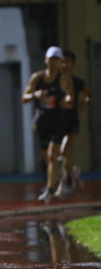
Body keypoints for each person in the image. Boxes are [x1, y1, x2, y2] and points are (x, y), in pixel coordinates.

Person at [22, 46, 73, 204]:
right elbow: (24, 98)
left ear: (60, 62)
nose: (52, 62)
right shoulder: (37, 78)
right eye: (50, 58)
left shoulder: (64, 78)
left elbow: (70, 96)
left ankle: (50, 190)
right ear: (46, 60)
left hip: (58, 120)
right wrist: (35, 95)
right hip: (43, 121)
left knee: (51, 155)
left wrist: (66, 101)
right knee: (47, 157)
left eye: (56, 59)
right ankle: (56, 174)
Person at [55, 50, 92, 196]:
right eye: (62, 61)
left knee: (64, 151)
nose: (64, 64)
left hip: (72, 120)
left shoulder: (78, 82)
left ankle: (68, 180)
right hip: (58, 120)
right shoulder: (56, 81)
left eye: (67, 62)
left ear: (73, 64)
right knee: (59, 154)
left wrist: (84, 103)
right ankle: (72, 173)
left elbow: (89, 96)